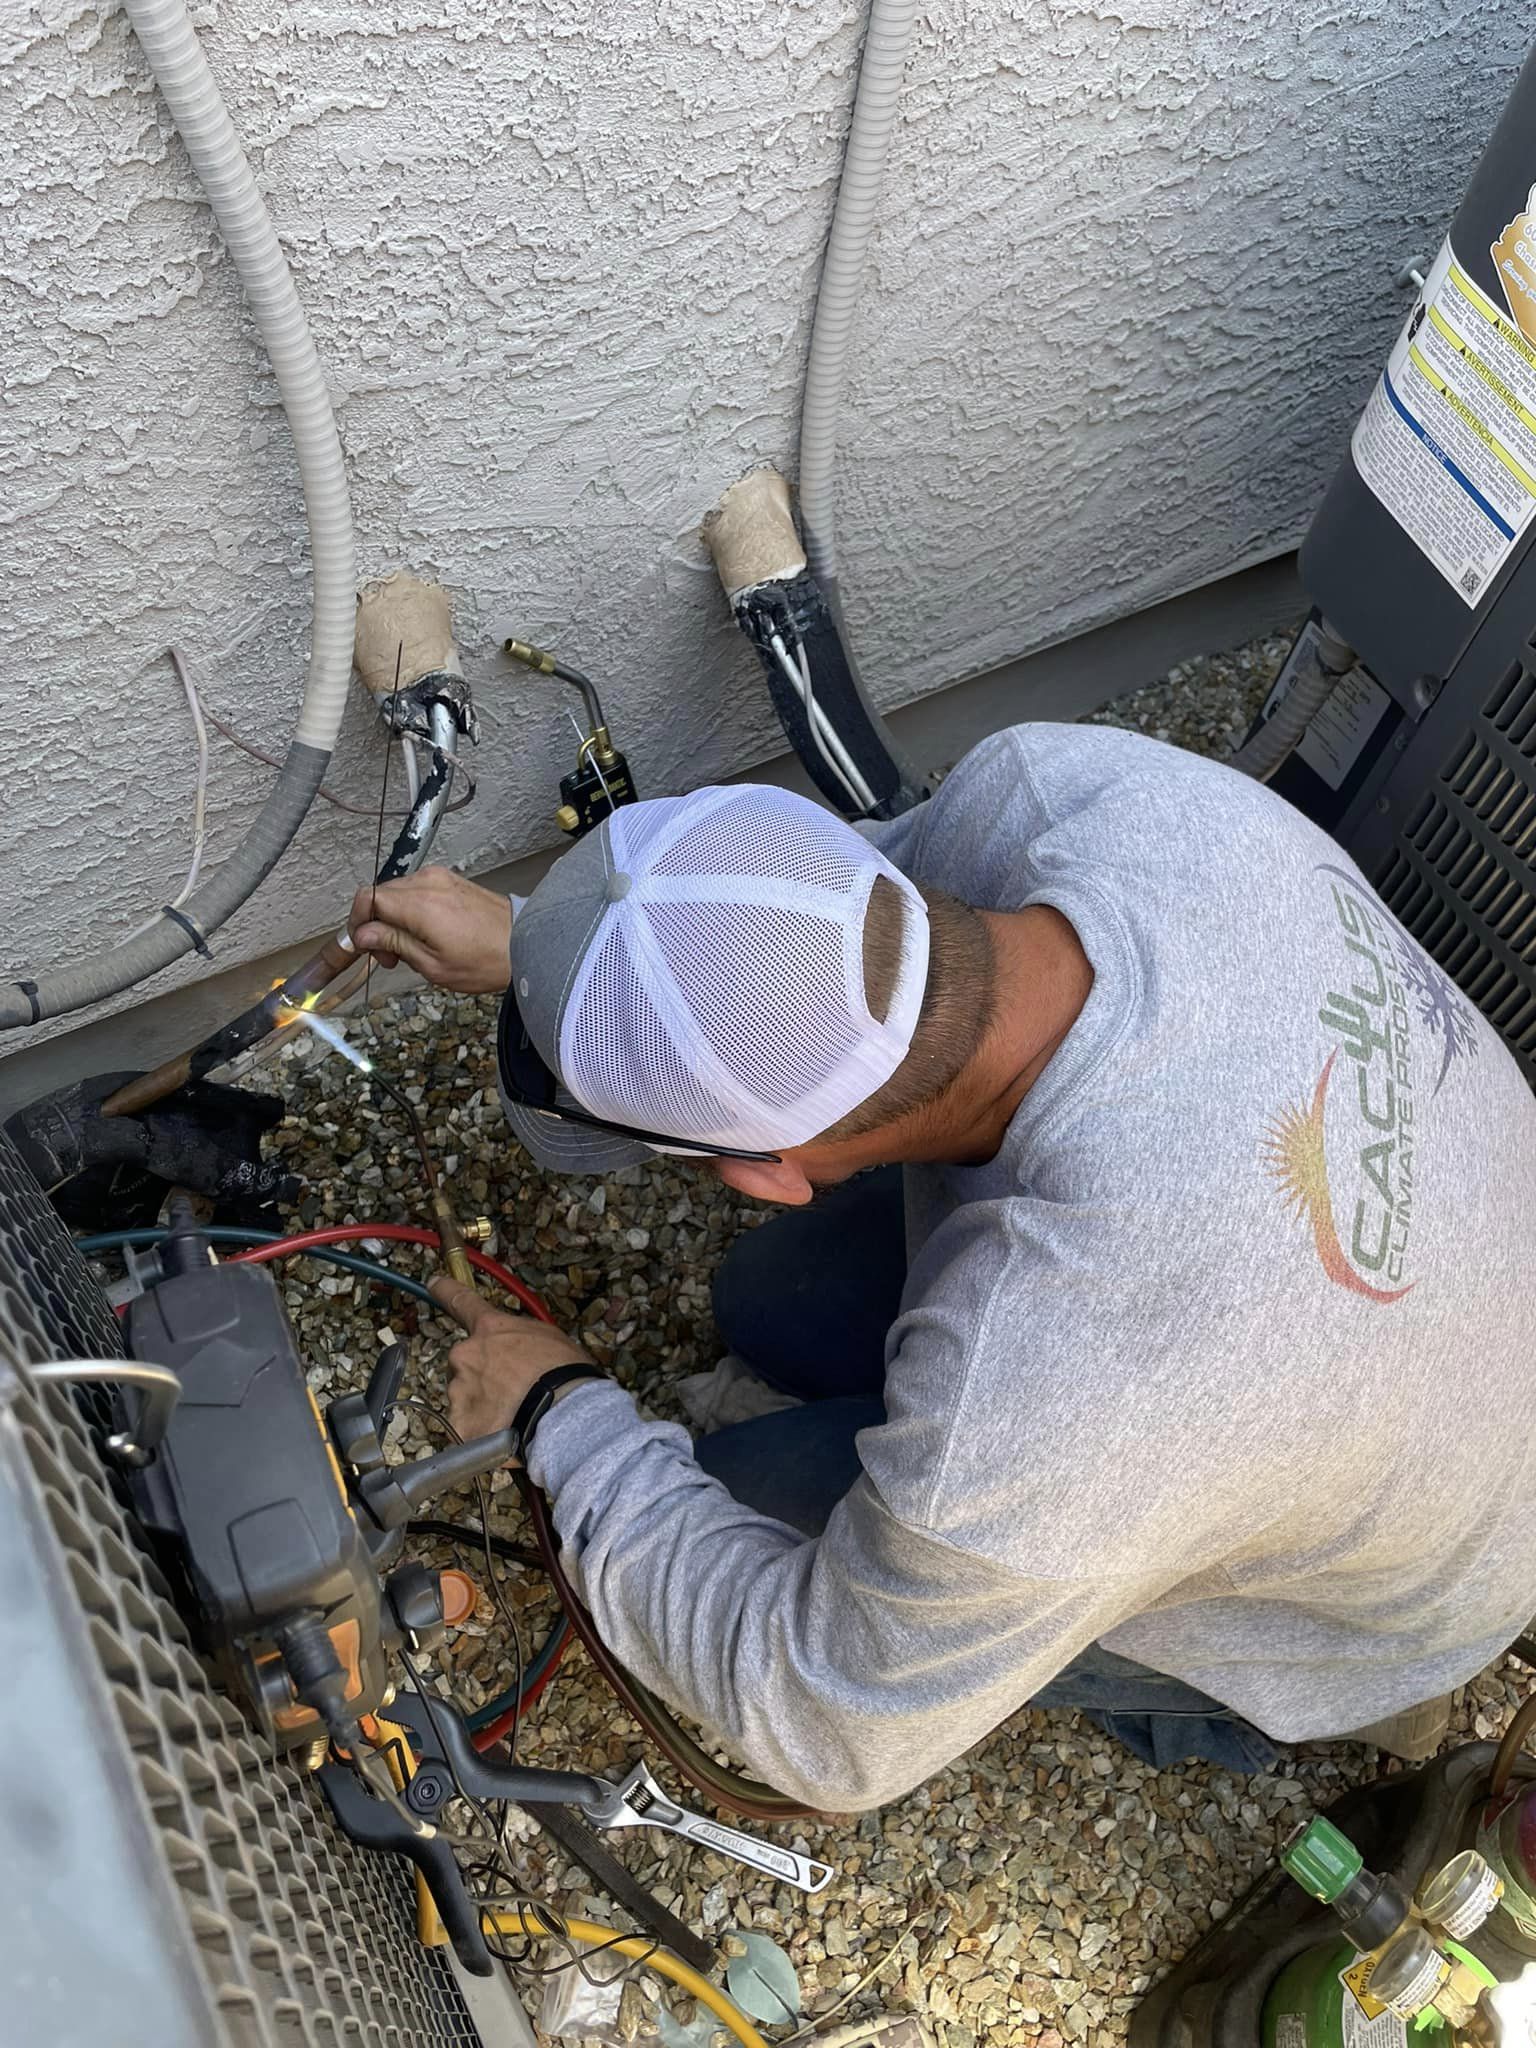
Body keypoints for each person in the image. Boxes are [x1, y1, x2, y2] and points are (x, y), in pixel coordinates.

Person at [349, 723, 1536, 1806]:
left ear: (766, 1168)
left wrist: (563, 1416)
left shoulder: (1070, 1376)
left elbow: (823, 1718)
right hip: (1457, 1243)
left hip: (1436, 1566)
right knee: (761, 1305)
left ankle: (1304, 1701)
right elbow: (803, 934)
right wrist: (555, 942)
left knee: (743, 1491)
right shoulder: (1049, 793)